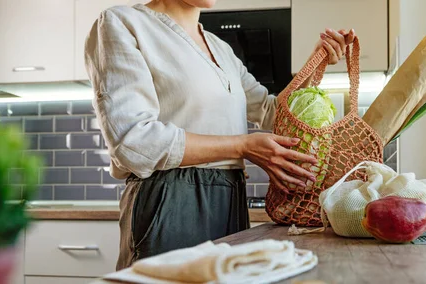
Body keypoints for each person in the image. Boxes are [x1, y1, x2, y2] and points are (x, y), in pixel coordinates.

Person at [84, 0, 355, 269]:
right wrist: (242, 147)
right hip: (169, 200)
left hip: (230, 196)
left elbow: (273, 112)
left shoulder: (220, 48)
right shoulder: (123, 23)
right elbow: (133, 143)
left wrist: (315, 61)